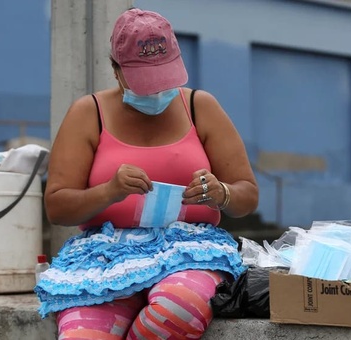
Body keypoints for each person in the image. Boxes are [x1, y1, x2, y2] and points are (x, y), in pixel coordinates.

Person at [35, 7, 259, 340]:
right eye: (144, 81)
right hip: (106, 256)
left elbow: (247, 195)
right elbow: (57, 207)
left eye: (164, 79)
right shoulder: (88, 113)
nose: (156, 92)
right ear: (116, 70)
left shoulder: (200, 106)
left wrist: (221, 192)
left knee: (176, 311)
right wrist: (109, 190)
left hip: (190, 253)